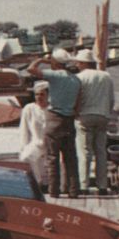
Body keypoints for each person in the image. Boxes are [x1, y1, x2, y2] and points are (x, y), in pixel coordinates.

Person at [27, 48, 82, 198]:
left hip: (54, 118)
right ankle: (73, 190)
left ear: (55, 62)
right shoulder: (76, 79)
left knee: (52, 157)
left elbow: (31, 69)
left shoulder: (55, 76)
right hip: (69, 120)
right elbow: (77, 104)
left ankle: (54, 191)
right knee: (71, 157)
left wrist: (41, 60)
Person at [72, 49, 115, 195]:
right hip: (102, 115)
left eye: (78, 62)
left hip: (85, 115)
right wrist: (107, 113)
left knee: (85, 152)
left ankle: (84, 186)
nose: (77, 64)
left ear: (84, 63)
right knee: (101, 151)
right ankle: (102, 185)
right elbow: (111, 98)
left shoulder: (78, 77)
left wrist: (75, 113)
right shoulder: (106, 76)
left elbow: (76, 98)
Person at [19, 81, 50, 189]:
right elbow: (24, 129)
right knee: (26, 157)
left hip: (50, 143)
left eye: (42, 94)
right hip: (36, 142)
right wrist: (24, 146)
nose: (39, 97)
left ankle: (49, 184)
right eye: (36, 94)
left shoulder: (52, 109)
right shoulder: (29, 108)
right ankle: (38, 183)